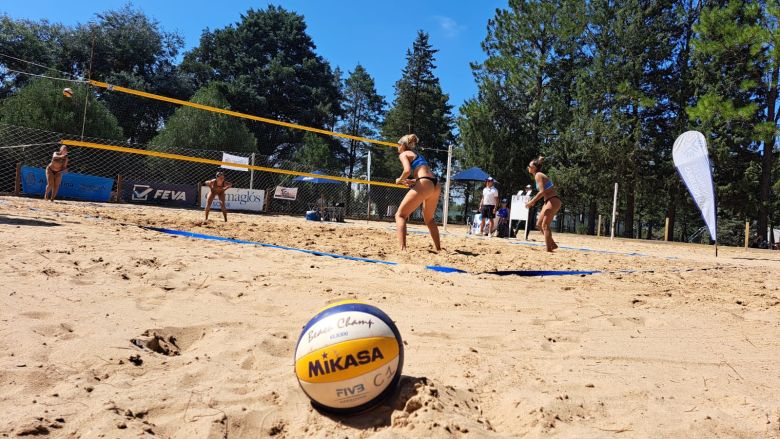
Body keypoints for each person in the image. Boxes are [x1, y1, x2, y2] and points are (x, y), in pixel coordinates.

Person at [394, 134, 441, 252]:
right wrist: (414, 181)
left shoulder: (404, 154)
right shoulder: (418, 155)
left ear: (403, 146)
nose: (397, 148)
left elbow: (407, 170)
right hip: (435, 184)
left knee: (400, 215)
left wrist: (399, 180)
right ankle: (439, 249)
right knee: (429, 219)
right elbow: (424, 173)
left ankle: (402, 249)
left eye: (398, 145)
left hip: (425, 183)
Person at [525, 156, 562, 252]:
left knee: (545, 225)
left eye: (529, 165)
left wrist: (531, 202)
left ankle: (548, 249)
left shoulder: (538, 175)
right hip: (549, 201)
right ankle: (552, 244)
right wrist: (539, 159)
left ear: (534, 167)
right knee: (539, 224)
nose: (528, 167)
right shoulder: (538, 174)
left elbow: (542, 192)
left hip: (553, 200)